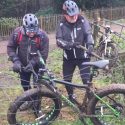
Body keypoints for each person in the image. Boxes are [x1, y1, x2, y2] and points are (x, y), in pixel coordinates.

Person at [56, 0, 94, 102]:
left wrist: (90, 45)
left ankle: (91, 99)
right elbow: (59, 41)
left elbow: (88, 34)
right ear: (65, 14)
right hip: (69, 58)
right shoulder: (61, 24)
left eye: (75, 14)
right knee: (67, 80)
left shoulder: (82, 20)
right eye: (71, 15)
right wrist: (70, 45)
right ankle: (71, 96)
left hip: (83, 57)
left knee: (86, 80)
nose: (74, 17)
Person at [7, 13, 49, 92]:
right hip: (23, 64)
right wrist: (16, 61)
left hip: (38, 65)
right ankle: (29, 99)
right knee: (24, 84)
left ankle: (37, 102)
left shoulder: (43, 36)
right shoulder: (17, 33)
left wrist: (33, 62)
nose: (32, 33)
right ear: (24, 27)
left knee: (37, 85)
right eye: (29, 31)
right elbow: (10, 48)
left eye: (34, 31)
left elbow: (44, 54)